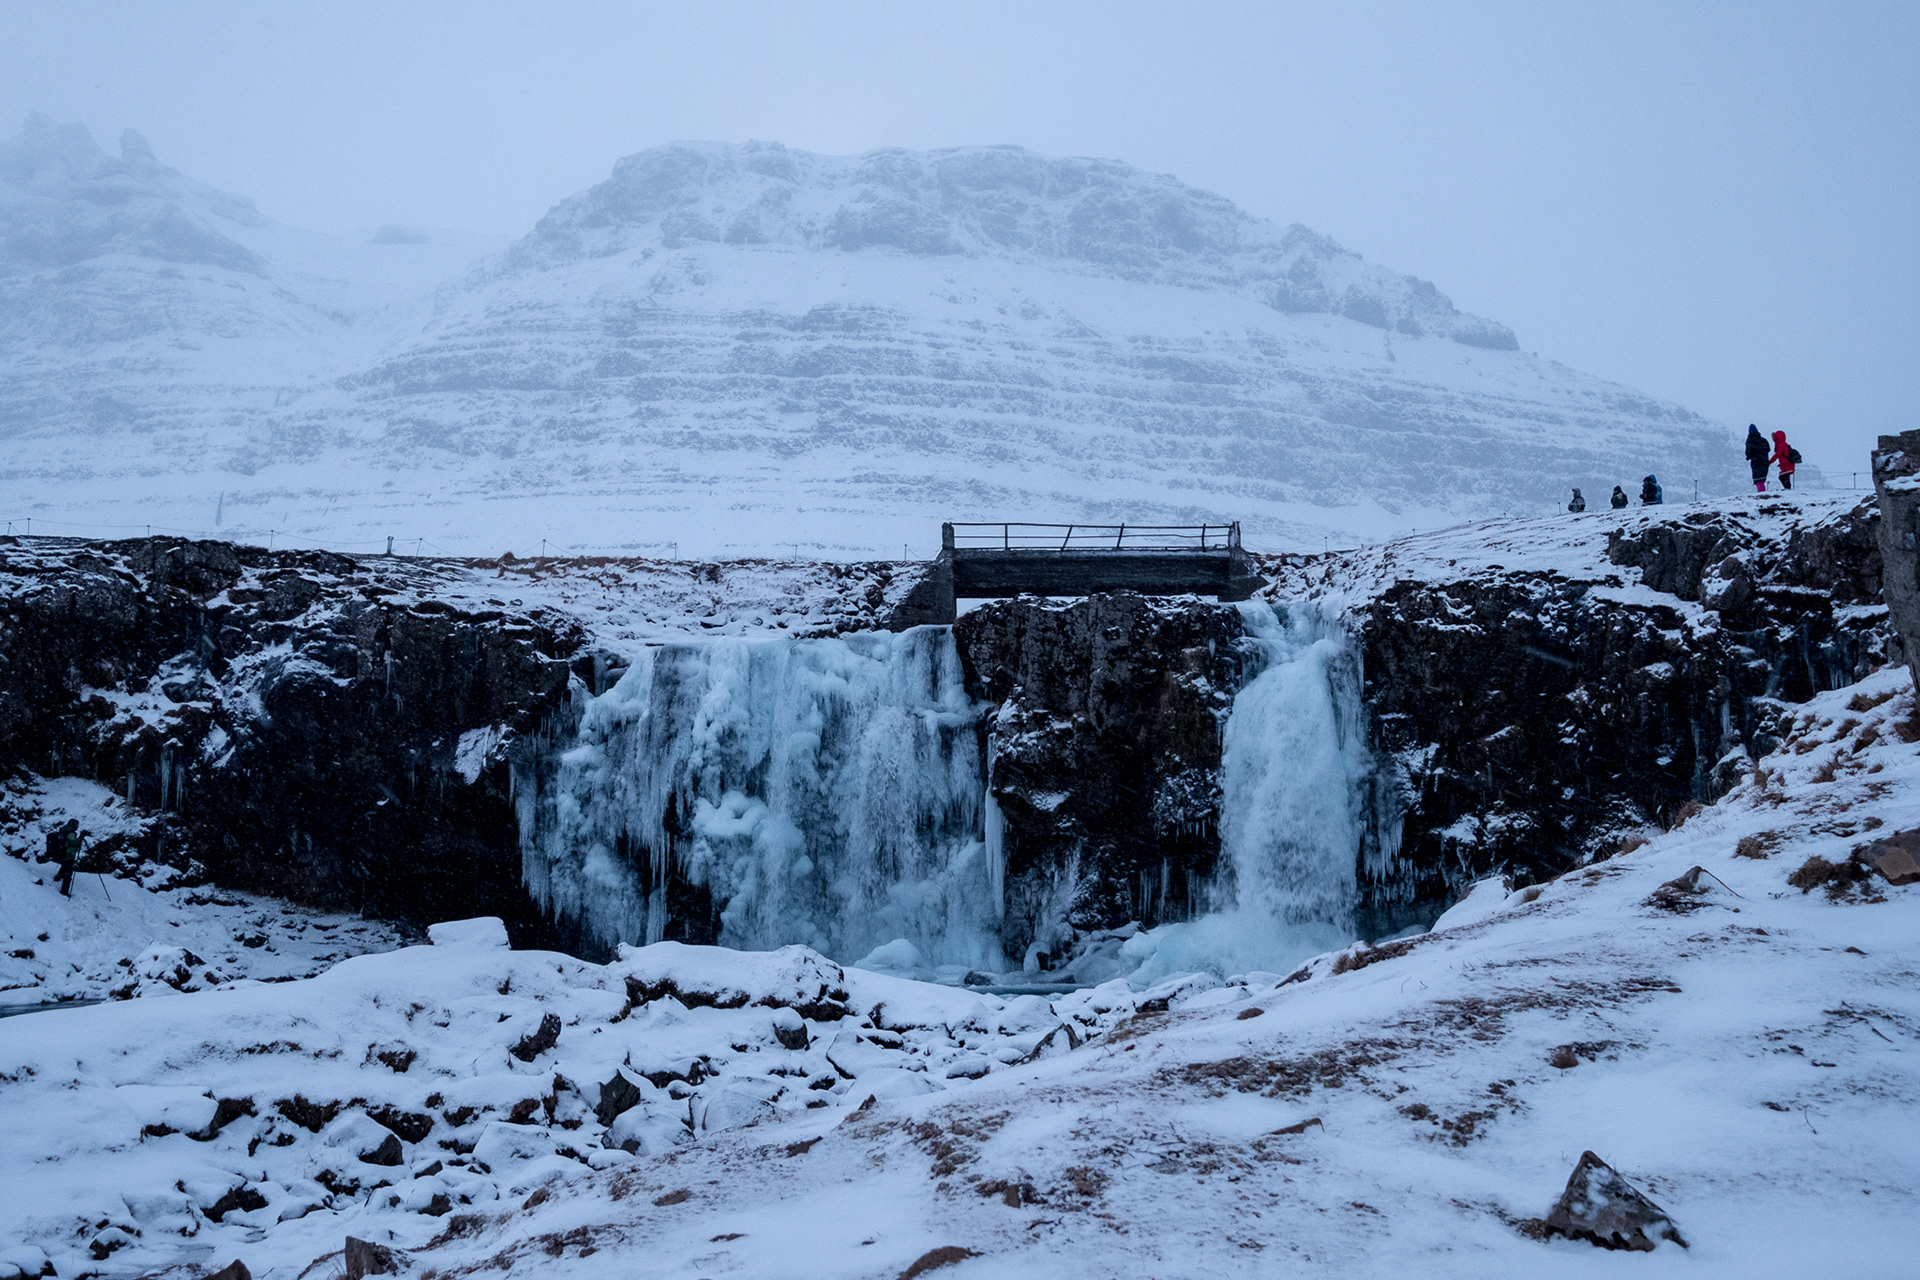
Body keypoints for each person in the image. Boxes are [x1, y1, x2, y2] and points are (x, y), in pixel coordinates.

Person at [51, 818, 80, 897]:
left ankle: (58, 877)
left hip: (63, 853)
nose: (78, 826)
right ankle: (64, 891)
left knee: (65, 866)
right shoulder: (70, 833)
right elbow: (74, 843)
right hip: (68, 854)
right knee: (68, 873)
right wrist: (81, 837)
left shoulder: (64, 830)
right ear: (73, 825)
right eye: (77, 825)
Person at [1744, 424, 1771, 493]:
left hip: (1756, 462)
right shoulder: (1763, 440)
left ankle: (1761, 493)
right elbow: (1768, 449)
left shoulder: (1750, 441)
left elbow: (1748, 452)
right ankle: (1762, 492)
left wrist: (1748, 457)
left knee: (1758, 479)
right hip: (1765, 461)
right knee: (1762, 478)